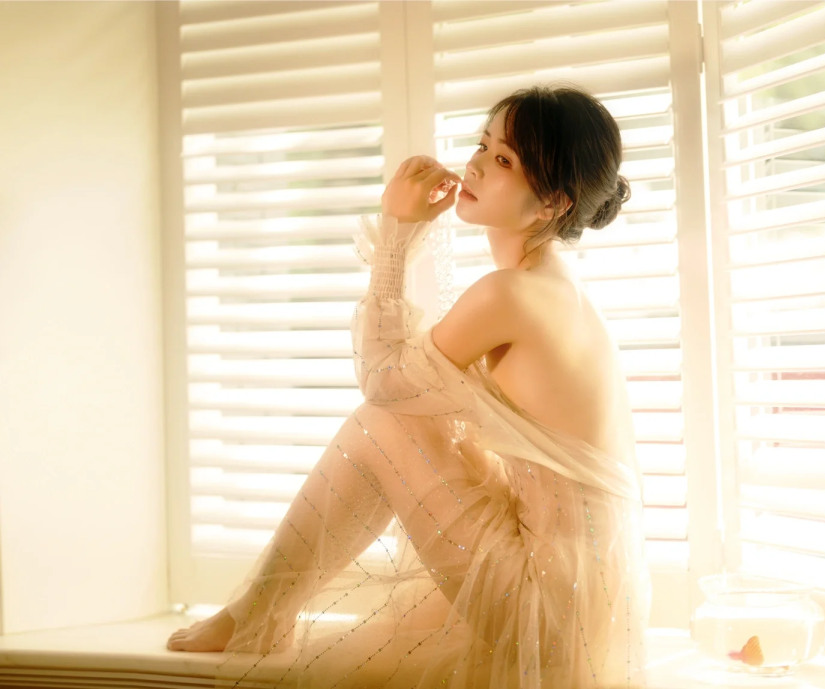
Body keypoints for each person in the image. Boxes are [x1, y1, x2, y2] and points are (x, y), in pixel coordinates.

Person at [166, 83, 651, 688]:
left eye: (503, 160)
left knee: (384, 417)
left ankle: (258, 615)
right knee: (406, 412)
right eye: (483, 144)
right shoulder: (553, 285)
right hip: (582, 602)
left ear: (551, 203)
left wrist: (396, 233)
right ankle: (259, 613)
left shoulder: (512, 294)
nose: (475, 164)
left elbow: (382, 382)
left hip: (545, 602)